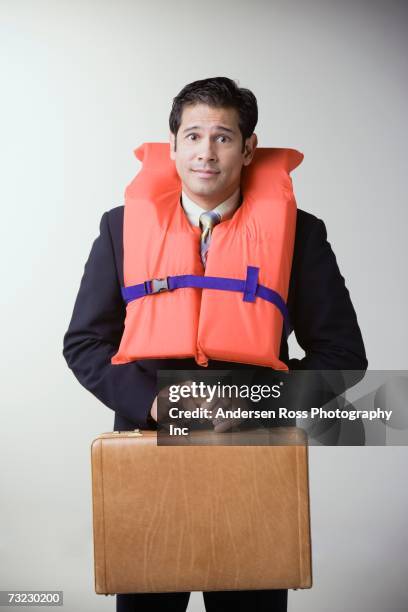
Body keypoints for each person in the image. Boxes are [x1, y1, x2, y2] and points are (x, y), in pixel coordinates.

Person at [63, 77, 368, 612]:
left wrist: (254, 404)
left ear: (249, 149)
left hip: (253, 463)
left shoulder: (302, 235)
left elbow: (345, 358)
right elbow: (84, 343)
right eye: (194, 135)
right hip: (147, 458)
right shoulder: (120, 230)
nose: (207, 152)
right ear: (174, 144)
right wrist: (154, 402)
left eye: (224, 137)